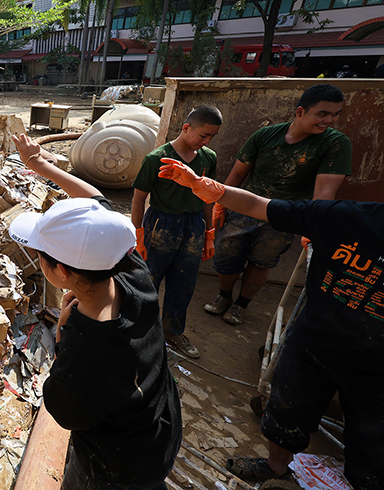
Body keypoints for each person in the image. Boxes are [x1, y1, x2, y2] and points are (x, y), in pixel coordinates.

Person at [157, 157, 384, 490]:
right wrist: (211, 190)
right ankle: (276, 468)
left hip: (377, 368)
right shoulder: (346, 218)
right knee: (285, 414)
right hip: (313, 346)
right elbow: (262, 206)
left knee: (372, 444)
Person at [9, 133, 182, 490]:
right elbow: (95, 204)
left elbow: (64, 412)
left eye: (41, 254)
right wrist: (38, 165)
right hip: (158, 428)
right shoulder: (130, 269)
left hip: (115, 468)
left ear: (63, 273)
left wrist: (61, 339)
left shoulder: (85, 354)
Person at [207, 84, 352, 325]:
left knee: (262, 261)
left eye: (336, 114)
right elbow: (237, 175)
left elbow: (325, 190)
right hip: (244, 207)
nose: (331, 120)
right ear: (300, 112)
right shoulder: (265, 135)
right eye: (323, 114)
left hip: (284, 216)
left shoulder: (335, 144)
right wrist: (220, 204)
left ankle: (241, 304)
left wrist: (314, 225)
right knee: (226, 255)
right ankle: (224, 296)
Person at [131, 105, 222, 358]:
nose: (206, 142)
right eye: (203, 135)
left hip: (193, 225)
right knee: (149, 279)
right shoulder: (156, 158)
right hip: (161, 224)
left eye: (212, 137)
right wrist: (138, 235)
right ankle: (139, 333)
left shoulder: (208, 158)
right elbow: (139, 199)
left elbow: (207, 198)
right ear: (186, 128)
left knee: (184, 282)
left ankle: (172, 332)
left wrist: (209, 232)